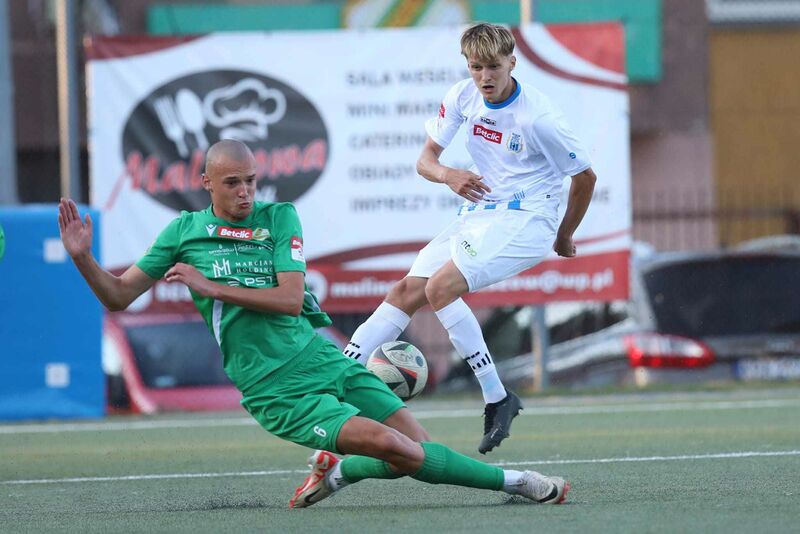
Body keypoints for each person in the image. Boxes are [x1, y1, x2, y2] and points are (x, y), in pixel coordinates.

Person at [59, 139, 569, 508]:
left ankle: (336, 472)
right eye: (232, 183)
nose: (244, 193)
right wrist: (84, 259)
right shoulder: (182, 233)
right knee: (399, 449)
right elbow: (119, 295)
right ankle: (518, 482)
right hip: (273, 388)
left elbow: (287, 300)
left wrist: (210, 287)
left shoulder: (278, 218)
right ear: (206, 182)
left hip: (321, 357)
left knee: (412, 449)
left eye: (251, 181)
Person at [343, 22, 597, 454]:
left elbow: (585, 178)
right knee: (406, 291)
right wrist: (449, 176)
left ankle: (497, 397)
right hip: (482, 212)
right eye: (476, 67)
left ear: (512, 63)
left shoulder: (539, 118)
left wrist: (563, 235)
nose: (485, 77)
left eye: (494, 67)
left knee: (440, 289)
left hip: (529, 218)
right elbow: (426, 160)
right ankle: (337, 375)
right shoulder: (463, 96)